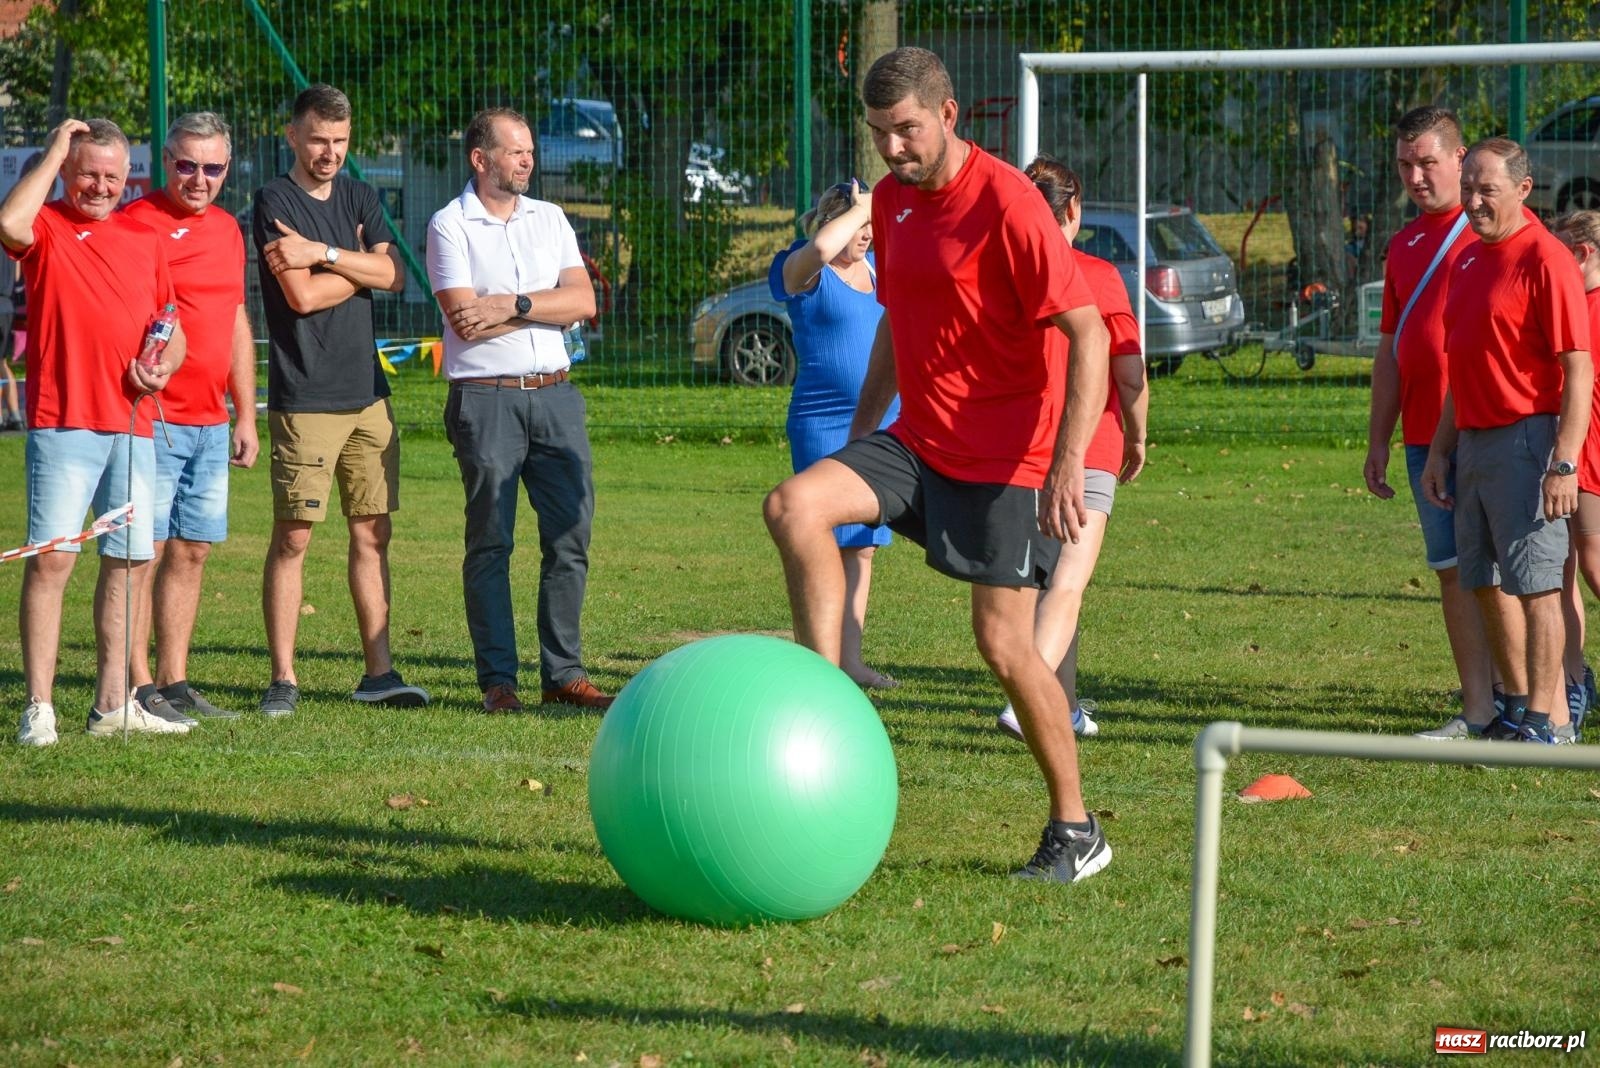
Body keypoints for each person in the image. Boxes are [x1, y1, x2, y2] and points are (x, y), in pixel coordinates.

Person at [764, 47, 1114, 883]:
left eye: (907, 130)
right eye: (880, 133)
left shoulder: (1010, 205)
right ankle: (830, 700)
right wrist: (860, 430)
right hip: (917, 439)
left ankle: (1076, 827)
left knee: (1004, 646)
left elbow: (1089, 332)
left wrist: (1067, 465)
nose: (891, 149)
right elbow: (896, 320)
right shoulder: (890, 201)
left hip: (1003, 459)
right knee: (794, 507)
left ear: (949, 115)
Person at [3, 117, 189, 745]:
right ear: (66, 172)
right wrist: (55, 148)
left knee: (131, 562)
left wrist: (163, 368)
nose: (102, 186)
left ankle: (114, 705)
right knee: (53, 561)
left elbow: (171, 323)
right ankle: (39, 707)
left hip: (134, 425)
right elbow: (8, 223)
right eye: (88, 173)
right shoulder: (47, 226)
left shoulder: (143, 235)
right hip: (64, 423)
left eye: (113, 175)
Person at [425, 107, 611, 714]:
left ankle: (563, 673)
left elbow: (582, 300)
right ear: (482, 160)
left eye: (530, 150)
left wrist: (512, 302)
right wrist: (540, 305)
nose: (528, 159)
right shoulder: (449, 225)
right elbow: (464, 321)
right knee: (492, 543)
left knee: (570, 535)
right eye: (515, 151)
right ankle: (498, 682)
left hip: (556, 393)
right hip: (487, 399)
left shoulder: (550, 218)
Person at [253, 84, 428, 716]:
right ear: (293, 135)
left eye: (341, 142)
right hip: (305, 398)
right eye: (319, 139)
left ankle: (378, 674)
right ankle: (283, 678)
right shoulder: (274, 198)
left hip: (369, 397)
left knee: (372, 534)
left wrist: (323, 253)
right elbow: (298, 298)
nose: (330, 153)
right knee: (294, 538)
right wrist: (357, 269)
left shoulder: (360, 195)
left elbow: (396, 275)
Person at [1421, 137, 1593, 745]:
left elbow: (1578, 367)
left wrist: (1563, 462)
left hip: (1529, 440)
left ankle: (1550, 721)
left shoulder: (1546, 258)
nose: (1472, 201)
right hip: (1472, 441)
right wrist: (1443, 449)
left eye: (1485, 189)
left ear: (1523, 190)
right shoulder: (1467, 260)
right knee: (1484, 580)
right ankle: (1517, 706)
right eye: (1467, 186)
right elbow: (1461, 367)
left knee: (1539, 583)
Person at [1361, 106, 1505, 740]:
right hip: (1423, 439)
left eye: (1426, 162)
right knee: (1453, 571)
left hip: (1488, 429)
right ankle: (1479, 708)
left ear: (1458, 157)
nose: (1416, 177)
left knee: (1509, 571)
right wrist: (1377, 439)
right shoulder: (1402, 244)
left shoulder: (1492, 233)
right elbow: (1392, 347)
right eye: (1404, 165)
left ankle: (1538, 700)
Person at [995, 156, 1148, 743]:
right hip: (1088, 444)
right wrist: (1136, 435)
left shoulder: (1005, 274)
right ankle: (1026, 703)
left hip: (1020, 445)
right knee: (1067, 582)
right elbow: (1129, 373)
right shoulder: (1098, 274)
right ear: (1074, 207)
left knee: (1038, 579)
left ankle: (1066, 705)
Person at [122, 112, 259, 724]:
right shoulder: (133, 223)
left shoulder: (230, 229)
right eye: (186, 164)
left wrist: (245, 413)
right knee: (140, 554)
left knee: (193, 552)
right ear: (163, 162)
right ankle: (137, 684)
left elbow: (234, 321)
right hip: (149, 419)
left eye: (212, 167)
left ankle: (175, 682)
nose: (199, 178)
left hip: (209, 422)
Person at [769, 178, 900, 689]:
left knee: (862, 545)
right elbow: (824, 246)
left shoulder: (876, 270)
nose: (867, 234)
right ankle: (817, 661)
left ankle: (850, 659)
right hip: (823, 426)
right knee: (819, 539)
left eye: (872, 226)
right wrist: (863, 206)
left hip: (881, 424)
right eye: (860, 224)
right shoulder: (803, 268)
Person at [1552, 209, 1600, 735]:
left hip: (1587, 458)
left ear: (1582, 255)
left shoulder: (1588, 307)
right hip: (1577, 456)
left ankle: (1572, 682)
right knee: (1564, 572)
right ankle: (1572, 680)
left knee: (1590, 566)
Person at [1, 271, 25, 431]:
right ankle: (15, 414)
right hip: (8, 306)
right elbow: (16, 277)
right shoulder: (13, 249)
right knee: (3, 363)